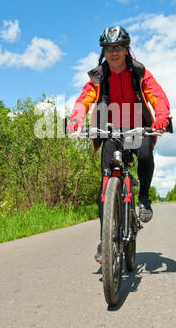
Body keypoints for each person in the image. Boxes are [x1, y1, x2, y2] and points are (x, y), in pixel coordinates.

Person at [67, 26, 170, 264]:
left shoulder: (140, 72)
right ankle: (105, 240)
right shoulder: (98, 75)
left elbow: (158, 96)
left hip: (138, 127)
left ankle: (143, 197)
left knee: (144, 155)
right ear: (104, 51)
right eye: (109, 48)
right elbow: (84, 100)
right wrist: (76, 119)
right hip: (110, 129)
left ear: (127, 49)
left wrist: (161, 118)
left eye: (119, 47)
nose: (114, 52)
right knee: (105, 183)